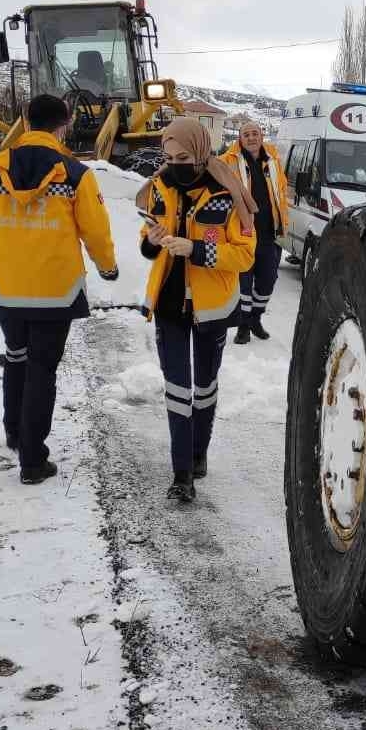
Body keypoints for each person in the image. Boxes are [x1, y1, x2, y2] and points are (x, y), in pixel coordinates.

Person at [0, 93, 118, 485]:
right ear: (64, 126)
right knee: (42, 368)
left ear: (25, 123)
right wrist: (107, 268)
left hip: (9, 289)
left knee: (16, 357)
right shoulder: (75, 172)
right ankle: (32, 459)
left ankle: (14, 432)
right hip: (57, 291)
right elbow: (96, 230)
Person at [138, 116, 256, 504]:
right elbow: (147, 236)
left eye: (184, 156)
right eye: (169, 156)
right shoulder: (159, 186)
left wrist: (197, 249)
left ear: (201, 152)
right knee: (177, 390)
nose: (175, 163)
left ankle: (199, 451)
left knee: (204, 388)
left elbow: (244, 255)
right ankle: (181, 473)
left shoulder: (228, 193)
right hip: (170, 303)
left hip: (213, 308)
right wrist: (153, 240)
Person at [221, 120, 288, 344]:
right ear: (240, 138)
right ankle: (243, 325)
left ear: (261, 136)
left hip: (270, 234)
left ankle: (255, 318)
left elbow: (280, 193)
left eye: (255, 133)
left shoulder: (274, 161)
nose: (251, 137)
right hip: (243, 234)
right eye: (246, 134)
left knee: (267, 282)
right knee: (243, 284)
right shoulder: (227, 162)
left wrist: (282, 224)